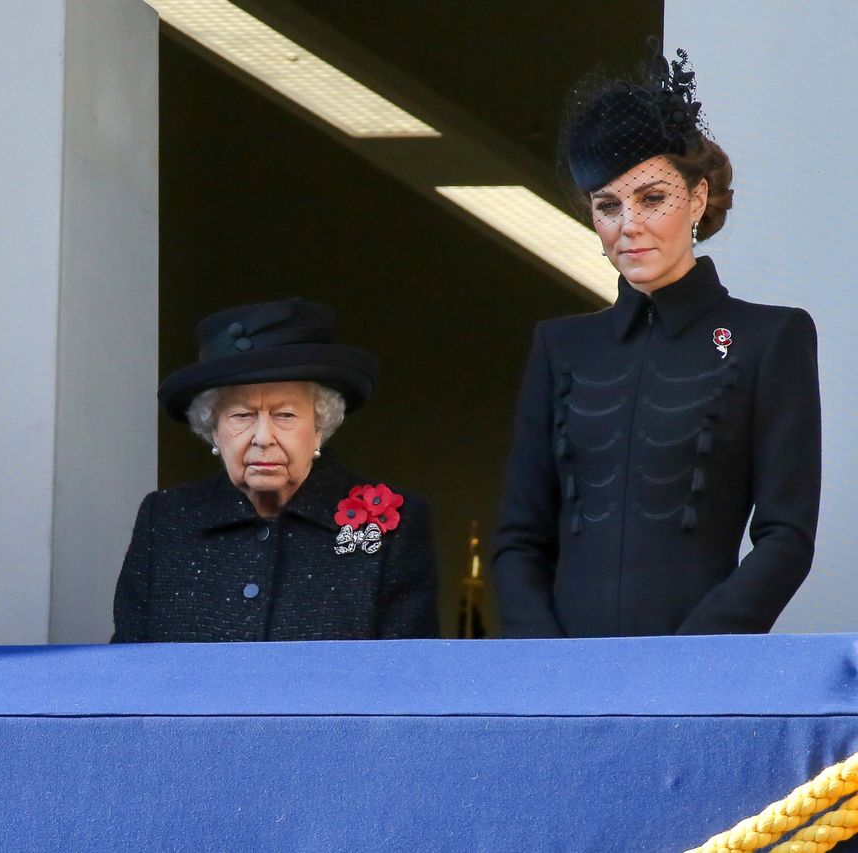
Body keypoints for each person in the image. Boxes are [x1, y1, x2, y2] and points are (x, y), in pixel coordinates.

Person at [492, 42, 820, 637]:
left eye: (652, 199)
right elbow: (519, 538)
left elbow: (787, 536)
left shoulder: (771, 337)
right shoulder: (560, 346)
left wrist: (692, 659)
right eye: (608, 206)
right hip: (563, 683)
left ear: (696, 199)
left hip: (699, 676)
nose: (630, 226)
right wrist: (544, 666)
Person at [112, 299, 438, 642]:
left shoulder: (395, 526)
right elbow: (128, 671)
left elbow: (407, 681)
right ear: (213, 429)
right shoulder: (165, 520)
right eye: (241, 416)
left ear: (319, 426)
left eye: (285, 415)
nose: (263, 437)